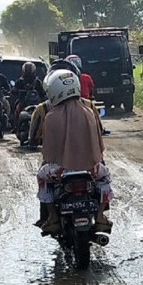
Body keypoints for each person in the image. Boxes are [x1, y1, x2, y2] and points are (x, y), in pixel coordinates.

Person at [37, 69, 113, 234]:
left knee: (42, 177)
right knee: (106, 176)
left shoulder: (51, 116)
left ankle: (52, 217)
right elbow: (98, 142)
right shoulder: (89, 112)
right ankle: (100, 216)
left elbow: (48, 152)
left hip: (60, 170)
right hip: (90, 169)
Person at [12, 62, 46, 131]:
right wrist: (15, 91)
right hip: (23, 102)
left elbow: (42, 92)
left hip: (36, 103)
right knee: (16, 110)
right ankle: (16, 127)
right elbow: (14, 90)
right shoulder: (20, 81)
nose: (28, 75)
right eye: (27, 73)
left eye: (29, 73)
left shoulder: (37, 82)